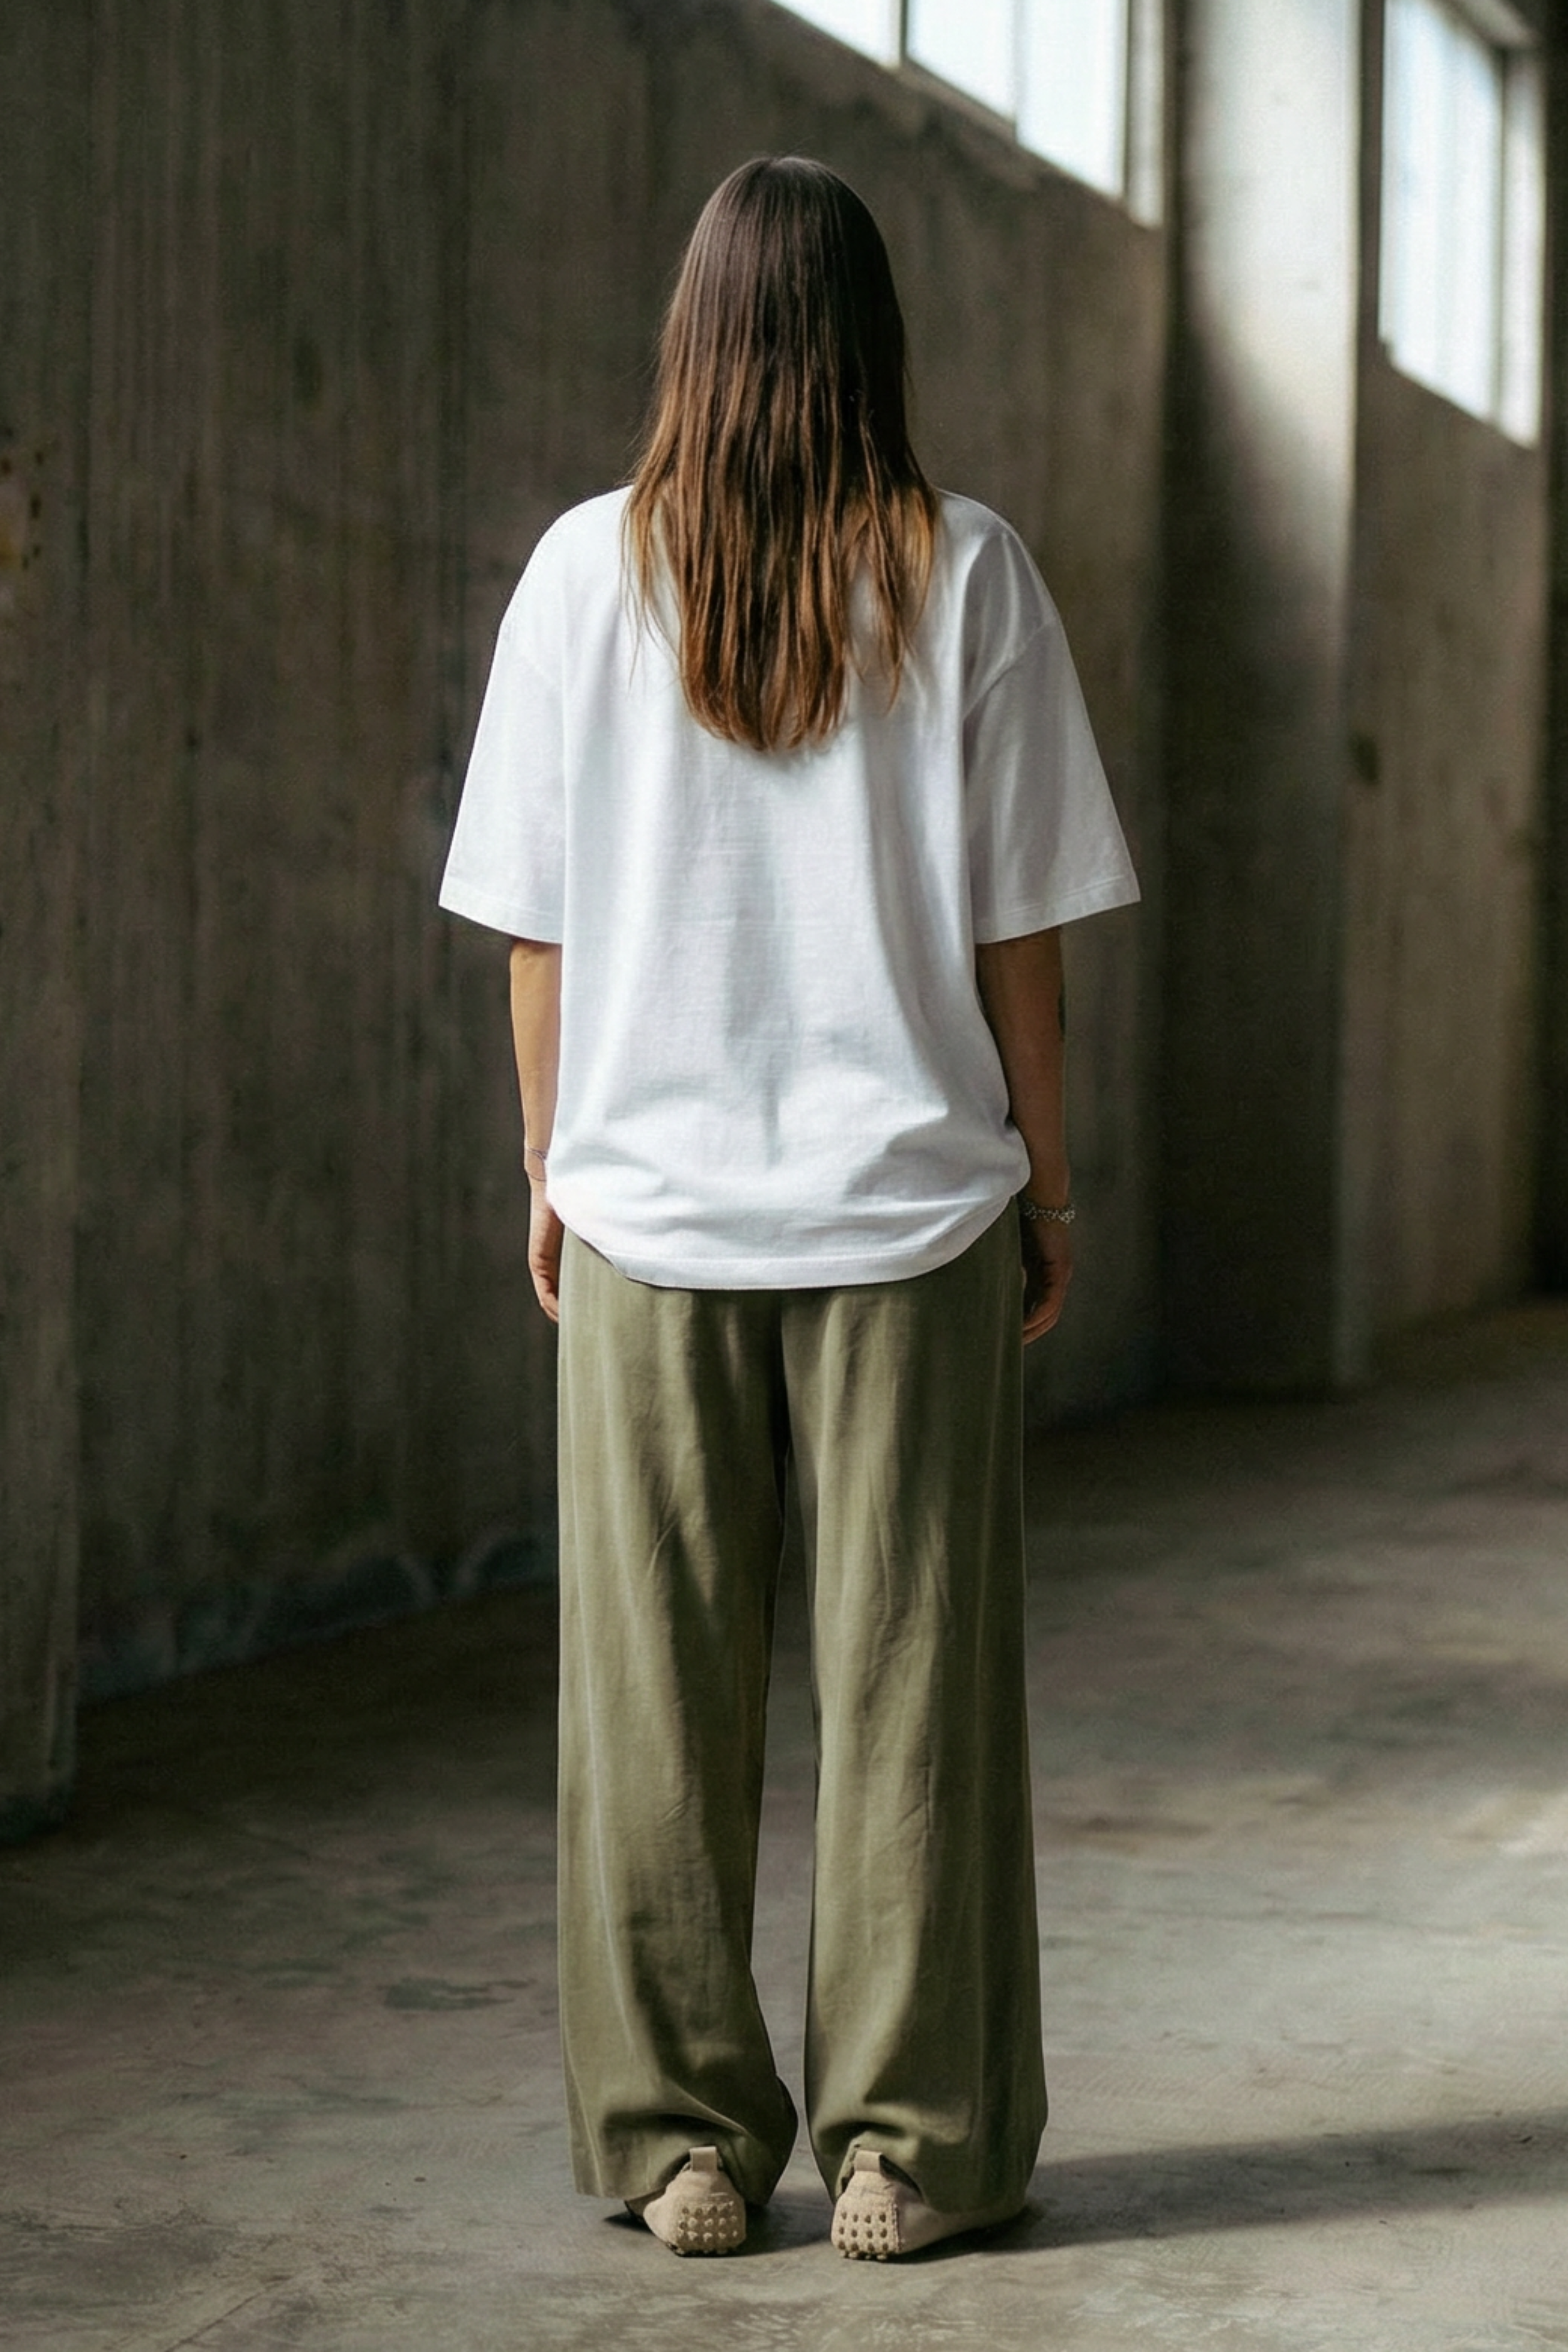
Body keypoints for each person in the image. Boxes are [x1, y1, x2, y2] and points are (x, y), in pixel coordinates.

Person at [439, 156, 1139, 2260]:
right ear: (868, 339)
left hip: (650, 1214)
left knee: (649, 1700)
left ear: (694, 332)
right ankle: (905, 2147)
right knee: (916, 1696)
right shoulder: (964, 570)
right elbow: (1019, 937)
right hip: (908, 1212)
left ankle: (680, 2139)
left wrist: (551, 1163)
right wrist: (1047, 1175)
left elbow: (537, 933)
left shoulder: (581, 575)